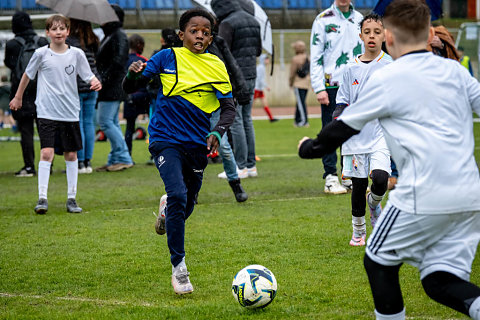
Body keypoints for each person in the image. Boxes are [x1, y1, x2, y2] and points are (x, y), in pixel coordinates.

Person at [298, 0, 480, 318]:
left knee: (378, 261)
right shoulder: (455, 71)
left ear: (389, 38)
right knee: (439, 281)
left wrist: (310, 148)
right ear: (429, 35)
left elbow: (343, 126)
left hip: (423, 194)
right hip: (470, 196)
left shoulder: (389, 77)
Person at [123, 8, 236, 295]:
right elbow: (133, 86)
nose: (200, 35)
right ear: (181, 34)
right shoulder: (166, 57)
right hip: (164, 139)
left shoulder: (216, 66)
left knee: (187, 203)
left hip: (197, 144)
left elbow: (228, 108)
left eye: (206, 32)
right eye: (194, 30)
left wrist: (217, 132)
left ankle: (166, 214)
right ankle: (179, 269)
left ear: (211, 38)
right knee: (177, 194)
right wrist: (132, 74)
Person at [9, 14, 102, 214]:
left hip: (69, 112)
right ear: (48, 32)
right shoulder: (41, 53)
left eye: (62, 29)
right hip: (46, 111)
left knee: (71, 154)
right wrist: (18, 97)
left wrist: (95, 82)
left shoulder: (77, 54)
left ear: (68, 31)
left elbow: (88, 76)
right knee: (46, 153)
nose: (58, 32)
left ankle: (72, 198)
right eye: (54, 29)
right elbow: (27, 76)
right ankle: (42, 198)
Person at [332, 13, 391, 247]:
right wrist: (337, 121)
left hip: (381, 133)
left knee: (380, 178)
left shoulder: (391, 66)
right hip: (356, 136)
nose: (372, 37)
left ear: (384, 35)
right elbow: (342, 101)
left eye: (377, 32)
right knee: (357, 185)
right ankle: (358, 231)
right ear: (360, 36)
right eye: (367, 32)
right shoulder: (349, 68)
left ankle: (374, 204)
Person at [310, 0, 363, 194]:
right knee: (330, 130)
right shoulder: (323, 20)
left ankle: (347, 174)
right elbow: (315, 56)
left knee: (354, 129)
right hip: (331, 85)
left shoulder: (360, 20)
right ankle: (330, 176)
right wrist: (318, 87)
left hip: (356, 85)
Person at [211, 0, 262, 178]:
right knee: (247, 119)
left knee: (236, 120)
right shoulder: (254, 20)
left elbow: (222, 51)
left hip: (235, 77)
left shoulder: (227, 23)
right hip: (251, 74)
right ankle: (251, 165)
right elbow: (258, 51)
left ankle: (240, 166)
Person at [4, 11, 49, 177]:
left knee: (26, 130)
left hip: (21, 91)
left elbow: (10, 64)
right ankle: (47, 165)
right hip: (42, 90)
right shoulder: (42, 42)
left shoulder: (12, 44)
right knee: (45, 130)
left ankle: (29, 166)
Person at [95, 4, 133, 172]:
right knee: (112, 122)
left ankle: (123, 157)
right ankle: (116, 158)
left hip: (113, 86)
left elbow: (118, 62)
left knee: (104, 121)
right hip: (111, 84)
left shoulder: (118, 36)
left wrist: (104, 78)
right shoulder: (111, 35)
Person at [66, 18, 101, 174]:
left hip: (75, 85)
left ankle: (79, 161)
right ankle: (87, 161)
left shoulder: (70, 41)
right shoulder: (93, 39)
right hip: (93, 83)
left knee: (78, 122)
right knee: (89, 123)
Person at [123, 34, 150, 157]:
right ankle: (155, 154)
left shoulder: (125, 60)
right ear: (139, 45)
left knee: (129, 128)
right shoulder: (143, 60)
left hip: (129, 97)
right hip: (143, 97)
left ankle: (128, 155)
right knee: (154, 125)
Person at [289, 40, 310, 128]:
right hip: (307, 83)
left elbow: (292, 73)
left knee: (301, 103)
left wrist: (290, 82)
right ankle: (297, 120)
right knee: (300, 102)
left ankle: (303, 121)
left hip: (298, 83)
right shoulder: (308, 58)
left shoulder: (295, 59)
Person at [254, 54, 277, 122]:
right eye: (266, 59)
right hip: (257, 89)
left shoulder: (262, 67)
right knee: (250, 105)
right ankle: (246, 117)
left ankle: (271, 118)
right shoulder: (261, 67)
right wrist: (266, 86)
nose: (268, 60)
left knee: (265, 103)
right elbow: (259, 79)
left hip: (260, 89)